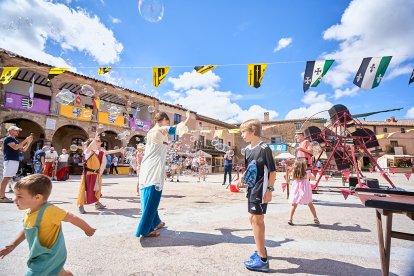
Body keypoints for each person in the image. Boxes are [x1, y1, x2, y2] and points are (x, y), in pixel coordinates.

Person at [0, 174, 95, 275]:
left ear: (37, 197)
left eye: (19, 196)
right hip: (39, 254)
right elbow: (27, 229)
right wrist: (13, 244)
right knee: (57, 271)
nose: (15, 199)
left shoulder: (49, 210)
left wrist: (87, 229)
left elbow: (71, 217)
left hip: (50, 255)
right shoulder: (29, 212)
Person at [136, 110, 190, 238]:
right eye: (167, 121)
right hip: (153, 168)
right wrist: (187, 118)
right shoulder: (160, 130)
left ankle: (156, 222)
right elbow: (178, 129)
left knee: (147, 195)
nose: (168, 124)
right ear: (164, 121)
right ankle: (145, 229)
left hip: (147, 167)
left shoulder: (150, 132)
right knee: (152, 198)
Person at [237, 119, 276, 272]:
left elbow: (272, 172)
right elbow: (249, 169)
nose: (241, 135)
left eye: (243, 132)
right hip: (252, 189)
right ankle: (261, 249)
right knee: (252, 219)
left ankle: (263, 260)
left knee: (257, 220)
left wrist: (270, 190)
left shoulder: (265, 148)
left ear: (253, 131)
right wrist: (241, 178)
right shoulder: (247, 150)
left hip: (261, 189)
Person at [77, 131, 123, 214]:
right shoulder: (87, 152)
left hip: (96, 174)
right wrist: (95, 139)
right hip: (88, 174)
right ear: (91, 143)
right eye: (95, 142)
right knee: (83, 190)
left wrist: (119, 150)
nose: (97, 143)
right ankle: (80, 205)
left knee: (97, 190)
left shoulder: (97, 152)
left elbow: (107, 152)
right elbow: (89, 148)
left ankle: (97, 203)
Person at [1, 126, 33, 203]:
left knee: (8, 178)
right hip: (10, 160)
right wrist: (26, 140)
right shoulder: (8, 139)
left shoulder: (15, 140)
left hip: (14, 160)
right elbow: (15, 148)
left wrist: (29, 142)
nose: (18, 132)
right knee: (6, 178)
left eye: (18, 131)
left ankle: (2, 196)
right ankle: (1, 197)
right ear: (10, 131)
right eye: (16, 130)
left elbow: (23, 149)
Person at [288, 158, 320, 226]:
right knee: (310, 204)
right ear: (304, 166)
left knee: (294, 204)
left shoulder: (294, 172)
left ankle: (290, 218)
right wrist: (314, 172)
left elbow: (290, 176)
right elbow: (313, 178)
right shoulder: (308, 173)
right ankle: (315, 218)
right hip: (305, 191)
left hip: (296, 190)